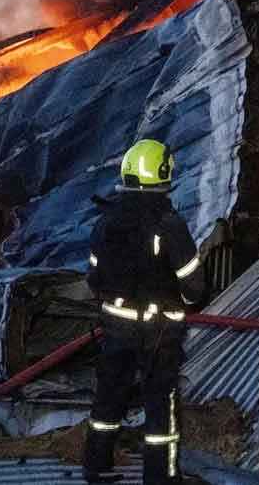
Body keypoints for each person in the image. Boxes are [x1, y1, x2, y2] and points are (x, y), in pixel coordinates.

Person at [82, 139, 207, 485]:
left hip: (115, 327)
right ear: (163, 173)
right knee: (160, 405)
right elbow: (194, 286)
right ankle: (161, 477)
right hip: (159, 330)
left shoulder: (105, 221)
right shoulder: (169, 223)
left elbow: (93, 276)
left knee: (109, 395)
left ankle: (96, 466)